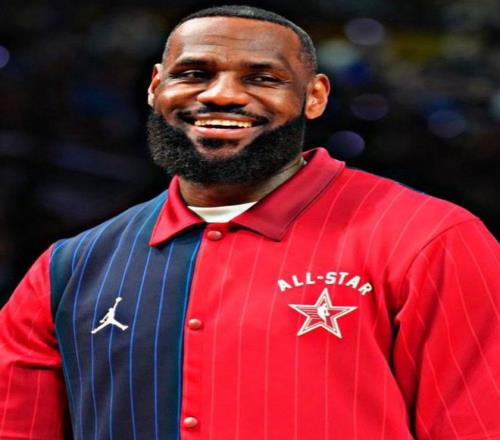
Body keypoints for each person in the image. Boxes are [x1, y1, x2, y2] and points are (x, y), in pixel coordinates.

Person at [0, 5, 499, 439]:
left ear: (315, 96)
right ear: (155, 87)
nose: (221, 95)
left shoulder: (431, 240)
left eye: (262, 78)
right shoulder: (68, 269)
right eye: (194, 73)